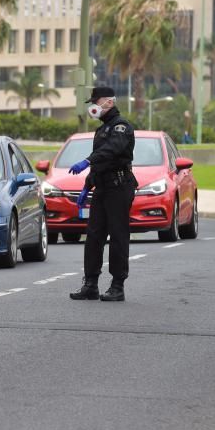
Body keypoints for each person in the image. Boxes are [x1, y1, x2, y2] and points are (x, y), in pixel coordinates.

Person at [68, 86, 136, 302]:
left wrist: (87, 161)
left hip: (119, 187)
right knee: (94, 236)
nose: (94, 107)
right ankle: (90, 284)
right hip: (103, 187)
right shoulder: (102, 129)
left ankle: (117, 286)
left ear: (109, 102)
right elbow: (101, 161)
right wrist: (88, 184)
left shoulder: (121, 127)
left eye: (96, 102)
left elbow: (111, 151)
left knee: (117, 236)